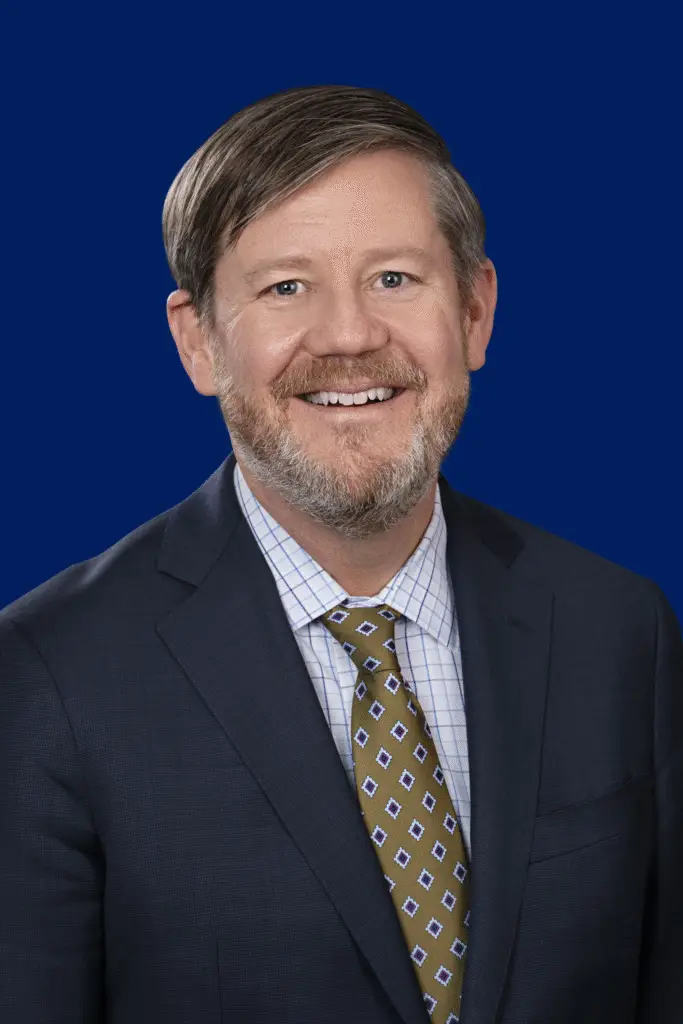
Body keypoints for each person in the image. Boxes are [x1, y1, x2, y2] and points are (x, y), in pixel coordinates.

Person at [0, 84, 681, 1024]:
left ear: (474, 312)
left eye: (393, 278)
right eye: (286, 287)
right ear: (198, 342)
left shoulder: (620, 629)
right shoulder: (44, 676)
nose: (351, 335)